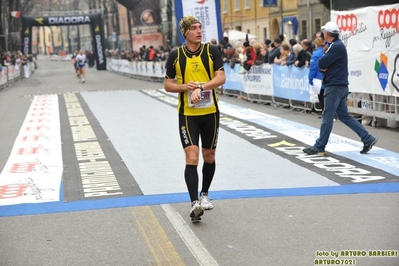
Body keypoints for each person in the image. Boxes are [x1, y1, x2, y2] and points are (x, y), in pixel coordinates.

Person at [164, 15, 226, 222]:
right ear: (186, 33)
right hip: (188, 115)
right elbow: (167, 85)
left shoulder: (211, 51)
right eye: (194, 28)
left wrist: (201, 86)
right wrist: (186, 87)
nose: (199, 31)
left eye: (200, 27)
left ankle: (204, 194)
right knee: (192, 156)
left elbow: (221, 77)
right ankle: (194, 204)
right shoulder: (175, 55)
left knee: (209, 156)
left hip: (210, 113)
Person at [303, 21, 377, 156]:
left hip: (334, 86)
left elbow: (322, 63)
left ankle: (319, 146)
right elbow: (323, 64)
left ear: (327, 33)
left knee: (327, 116)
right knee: (344, 116)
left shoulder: (335, 47)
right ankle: (367, 138)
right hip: (340, 85)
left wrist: (325, 66)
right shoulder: (336, 45)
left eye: (324, 32)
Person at [308, 37, 325, 115]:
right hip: (326, 77)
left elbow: (313, 67)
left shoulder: (316, 53)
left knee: (321, 97)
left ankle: (324, 113)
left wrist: (310, 79)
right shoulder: (326, 51)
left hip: (318, 78)